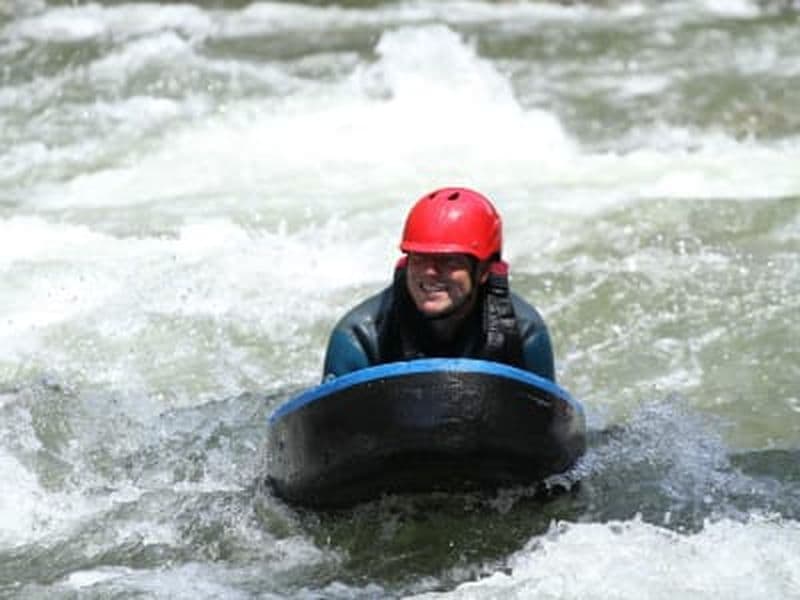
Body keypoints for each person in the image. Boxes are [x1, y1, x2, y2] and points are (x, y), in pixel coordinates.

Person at [322, 187, 555, 382]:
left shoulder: (524, 334)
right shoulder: (358, 336)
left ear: (483, 271)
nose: (429, 272)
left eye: (449, 261)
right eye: (419, 259)